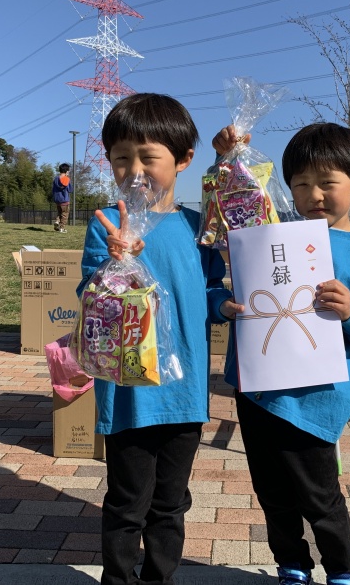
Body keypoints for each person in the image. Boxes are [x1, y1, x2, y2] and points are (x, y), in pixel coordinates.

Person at [214, 123, 350, 585]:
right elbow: (232, 207)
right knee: (271, 494)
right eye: (300, 184)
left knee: (320, 497)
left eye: (327, 182)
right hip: (258, 391)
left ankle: (344, 572)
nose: (314, 194)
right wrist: (228, 161)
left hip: (318, 400)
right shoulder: (270, 236)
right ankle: (292, 566)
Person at [78, 93, 236, 585]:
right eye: (121, 158)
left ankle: (160, 578)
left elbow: (210, 288)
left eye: (149, 157)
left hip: (185, 392)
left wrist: (224, 307)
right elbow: (89, 295)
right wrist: (116, 261)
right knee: (127, 501)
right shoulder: (106, 225)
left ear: (183, 160)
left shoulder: (197, 227)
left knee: (170, 502)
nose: (135, 170)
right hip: (127, 392)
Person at [52, 163, 73, 232]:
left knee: (59, 212)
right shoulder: (66, 179)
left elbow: (53, 189)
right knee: (65, 214)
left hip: (57, 199)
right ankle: (62, 228)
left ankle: (57, 221)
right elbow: (70, 190)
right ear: (66, 171)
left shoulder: (56, 179)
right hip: (64, 200)